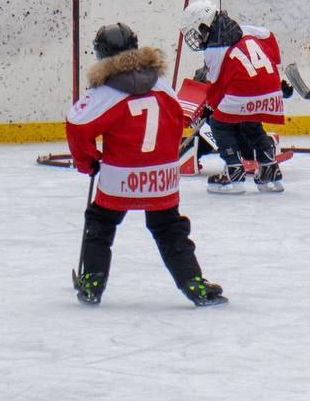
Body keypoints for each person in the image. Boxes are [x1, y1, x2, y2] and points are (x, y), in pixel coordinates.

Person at [65, 23, 226, 307]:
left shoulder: (104, 91)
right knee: (169, 229)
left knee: (100, 224)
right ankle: (193, 282)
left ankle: (92, 283)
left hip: (120, 176)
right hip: (162, 174)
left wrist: (87, 160)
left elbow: (77, 126)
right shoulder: (161, 83)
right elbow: (178, 117)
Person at [180, 0, 290, 194]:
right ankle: (269, 169)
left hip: (243, 91)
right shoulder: (249, 30)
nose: (196, 38)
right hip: (272, 90)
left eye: (197, 32)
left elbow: (215, 91)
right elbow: (269, 36)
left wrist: (213, 111)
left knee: (219, 124)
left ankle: (233, 171)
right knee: (251, 124)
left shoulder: (213, 49)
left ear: (205, 25)